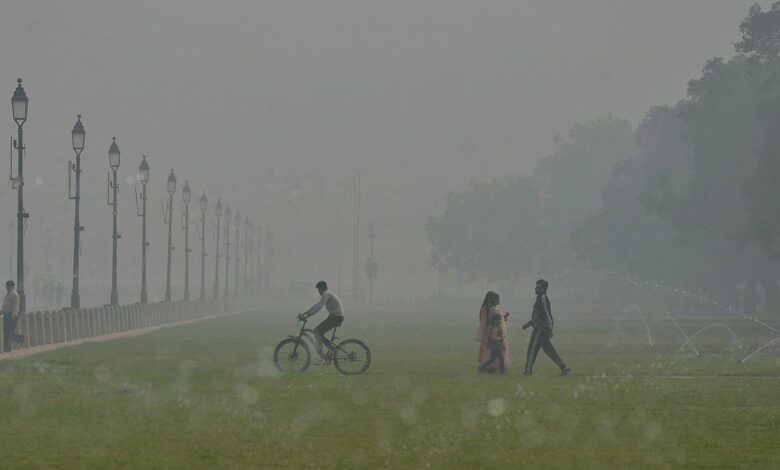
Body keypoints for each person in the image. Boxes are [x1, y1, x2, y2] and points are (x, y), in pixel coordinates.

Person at [523, 279, 570, 376]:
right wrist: (529, 323)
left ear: (544, 288)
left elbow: (547, 315)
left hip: (540, 330)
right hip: (541, 328)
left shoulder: (542, 299)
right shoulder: (540, 298)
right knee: (549, 350)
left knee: (532, 350)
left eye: (538, 286)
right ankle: (563, 367)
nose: (536, 288)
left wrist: (550, 328)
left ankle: (528, 371)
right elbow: (539, 315)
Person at [299, 281, 344, 361]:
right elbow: (316, 305)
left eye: (318, 290)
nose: (318, 292)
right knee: (317, 332)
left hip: (336, 317)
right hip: (335, 317)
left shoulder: (326, 294)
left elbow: (319, 307)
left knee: (317, 332)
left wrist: (308, 315)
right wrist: (304, 313)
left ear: (321, 289)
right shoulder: (327, 294)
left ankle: (325, 355)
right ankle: (330, 351)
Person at [477, 291, 510, 373]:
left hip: (492, 333)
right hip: (495, 333)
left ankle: (490, 367)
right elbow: (495, 320)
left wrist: (503, 317)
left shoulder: (489, 309)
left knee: (491, 353)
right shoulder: (493, 309)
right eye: (497, 299)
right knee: (498, 352)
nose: (499, 301)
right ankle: (498, 368)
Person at [1, 280, 22, 352]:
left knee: (8, 332)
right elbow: (6, 305)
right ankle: (7, 346)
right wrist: (2, 311)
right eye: (7, 286)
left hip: (11, 315)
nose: (8, 287)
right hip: (6, 314)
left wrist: (14, 315)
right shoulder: (7, 295)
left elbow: (16, 306)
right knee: (6, 331)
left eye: (9, 286)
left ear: (13, 286)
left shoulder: (14, 295)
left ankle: (20, 339)